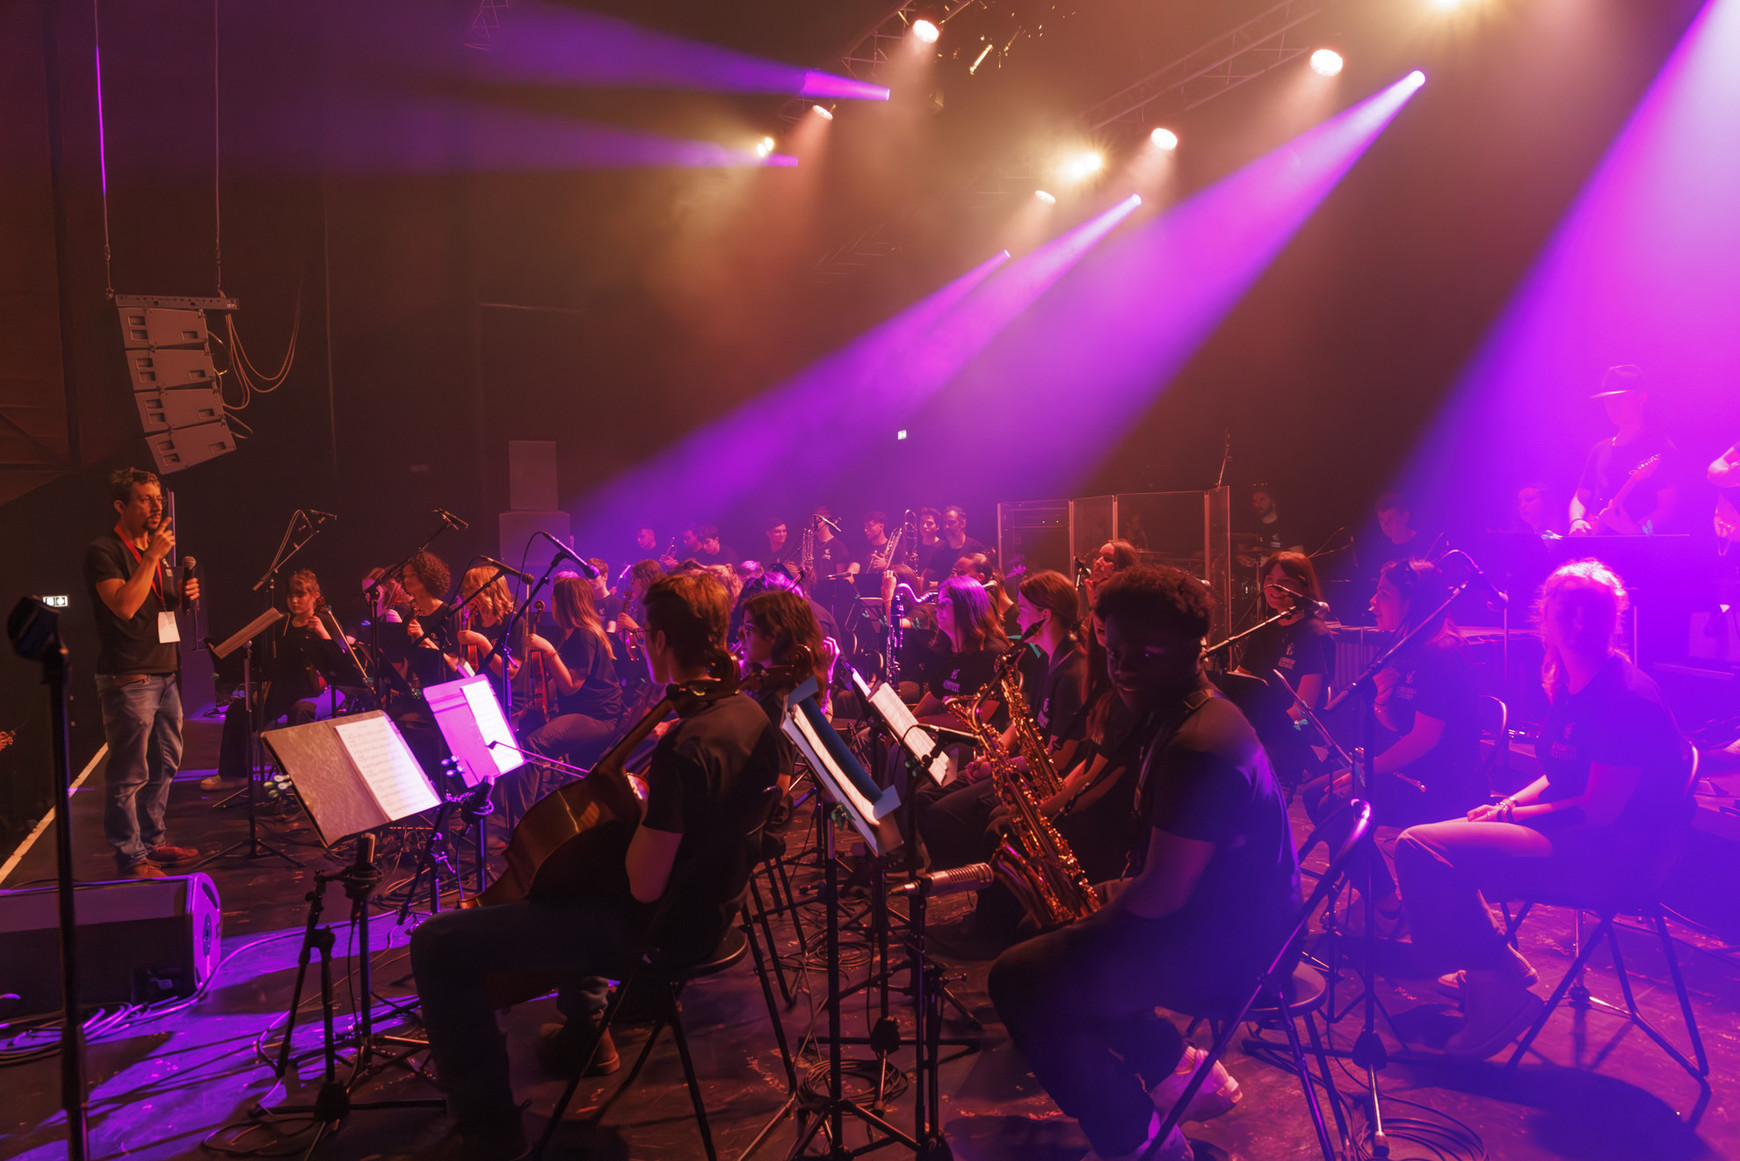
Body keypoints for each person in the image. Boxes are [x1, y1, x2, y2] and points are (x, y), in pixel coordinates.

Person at [409, 572, 783, 1161]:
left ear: (658, 641)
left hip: (665, 932)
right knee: (575, 865)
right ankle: (587, 1034)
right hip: (714, 907)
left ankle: (488, 1132)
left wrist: (620, 802)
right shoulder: (748, 714)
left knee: (438, 942)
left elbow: (642, 884)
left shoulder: (684, 746)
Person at [988, 566, 1300, 1161]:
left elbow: (1161, 894)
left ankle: (1140, 1141)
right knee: (1047, 939)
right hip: (1225, 917)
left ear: (1191, 648)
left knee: (1020, 977)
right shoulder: (1179, 712)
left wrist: (1087, 919)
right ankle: (1170, 1064)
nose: (1123, 667)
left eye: (1146, 653)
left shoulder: (1197, 743)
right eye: (1114, 649)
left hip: (1237, 951)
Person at [1395, 559, 1692, 1057]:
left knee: (1422, 846)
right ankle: (1497, 967)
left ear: (1613, 617)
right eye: (1566, 607)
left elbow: (1597, 811)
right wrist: (1508, 803)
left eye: (1591, 609)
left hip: (1612, 854)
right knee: (1437, 842)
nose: (1577, 619)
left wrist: (1509, 817)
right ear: (1546, 615)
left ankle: (1497, 992)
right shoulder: (1573, 680)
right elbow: (1558, 773)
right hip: (1573, 832)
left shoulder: (1625, 696)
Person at [1303, 559, 1480, 919]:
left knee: (1335, 805)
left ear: (1412, 602)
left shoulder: (1442, 654)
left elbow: (1425, 740)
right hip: (1416, 775)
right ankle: (1383, 899)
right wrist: (1384, 704)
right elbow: (1403, 727)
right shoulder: (1409, 648)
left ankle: (1385, 906)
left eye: (1383, 594)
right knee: (1315, 793)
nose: (1372, 602)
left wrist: (1368, 769)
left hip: (1445, 787)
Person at [84, 467, 201, 878]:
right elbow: (125, 606)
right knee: (129, 772)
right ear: (121, 506)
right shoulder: (105, 551)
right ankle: (131, 858)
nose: (155, 507)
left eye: (157, 498)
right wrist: (152, 556)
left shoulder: (156, 554)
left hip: (165, 673)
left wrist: (184, 596)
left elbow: (158, 609)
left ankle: (153, 841)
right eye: (144, 499)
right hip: (129, 676)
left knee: (167, 760)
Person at [208, 569, 341, 793]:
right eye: (291, 595)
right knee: (239, 710)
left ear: (315, 596)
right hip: (283, 689)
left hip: (315, 692)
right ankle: (235, 775)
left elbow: (339, 660)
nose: (295, 600)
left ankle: (299, 779)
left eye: (301, 595)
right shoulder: (283, 623)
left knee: (300, 711)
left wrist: (323, 634)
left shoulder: (324, 621)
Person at [1233, 552, 1335, 788]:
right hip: (1260, 726)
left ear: (1304, 588)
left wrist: (1255, 731)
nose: (1274, 587)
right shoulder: (1263, 630)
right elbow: (1239, 681)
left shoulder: (1313, 634)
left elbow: (1303, 710)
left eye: (1285, 583)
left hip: (1296, 729)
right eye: (1269, 580)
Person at [739, 588, 835, 797]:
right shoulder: (771, 685)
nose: (741, 637)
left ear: (774, 636)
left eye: (749, 629)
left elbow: (779, 785)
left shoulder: (778, 702)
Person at [1569, 365, 1681, 537]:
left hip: (1639, 553)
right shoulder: (1599, 449)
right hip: (1596, 547)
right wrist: (1576, 520)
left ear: (1642, 398)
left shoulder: (1661, 447)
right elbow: (1581, 496)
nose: (1612, 406)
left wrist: (1638, 531)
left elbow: (1667, 509)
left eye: (1620, 398)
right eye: (1608, 400)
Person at [923, 504, 988, 589]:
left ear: (963, 523)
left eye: (951, 522)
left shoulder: (977, 549)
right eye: (944, 523)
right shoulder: (939, 551)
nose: (946, 527)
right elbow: (925, 578)